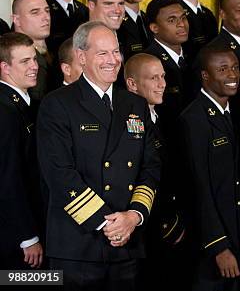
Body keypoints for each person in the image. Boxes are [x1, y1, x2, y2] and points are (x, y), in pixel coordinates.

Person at [36, 21, 160, 291]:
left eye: (116, 52)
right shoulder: (57, 104)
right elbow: (59, 174)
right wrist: (108, 224)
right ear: (81, 57)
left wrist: (134, 216)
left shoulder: (135, 104)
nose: (113, 60)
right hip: (78, 245)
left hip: (128, 243)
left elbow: (150, 166)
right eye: (102, 53)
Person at [180, 46, 240, 291]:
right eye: (222, 69)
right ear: (205, 76)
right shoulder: (194, 119)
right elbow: (198, 188)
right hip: (212, 247)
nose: (232, 75)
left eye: (234, 68)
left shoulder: (237, 111)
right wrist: (218, 245)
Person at [124, 53, 187, 290]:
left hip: (170, 224)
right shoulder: (127, 123)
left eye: (163, 76)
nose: (162, 84)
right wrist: (164, 221)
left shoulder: (164, 117)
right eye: (153, 78)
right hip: (145, 229)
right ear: (132, 84)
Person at [0, 32, 43, 269]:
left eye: (34, 59)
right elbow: (8, 179)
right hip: (17, 239)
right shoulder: (5, 111)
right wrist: (28, 236)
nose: (34, 66)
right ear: (5, 67)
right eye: (25, 61)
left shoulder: (25, 104)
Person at [11, 0, 53, 99]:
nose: (46, 17)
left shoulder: (55, 49)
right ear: (16, 20)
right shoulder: (7, 55)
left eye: (47, 11)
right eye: (35, 12)